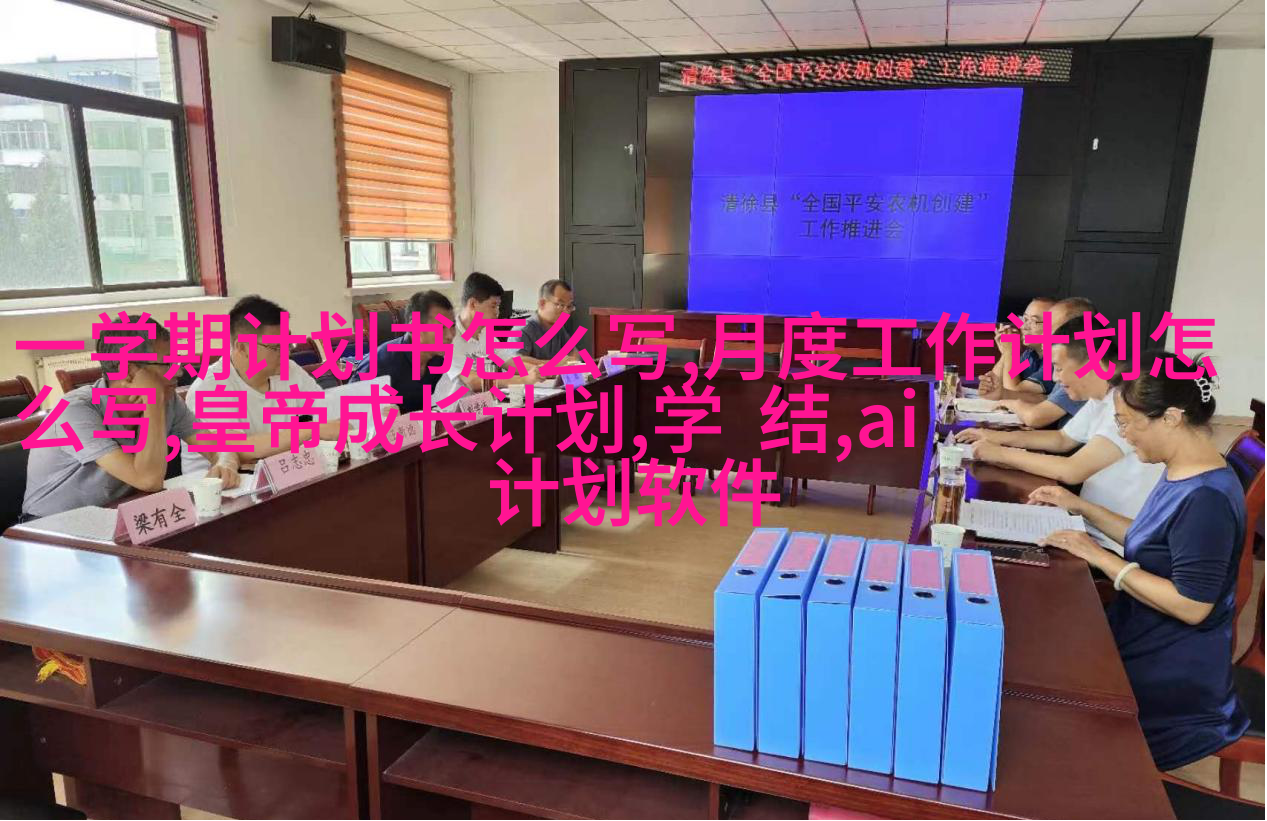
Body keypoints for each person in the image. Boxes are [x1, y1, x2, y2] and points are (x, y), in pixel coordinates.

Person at [1033, 352, 1249, 772]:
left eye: (1129, 422)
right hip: (1141, 633)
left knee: (1049, 703)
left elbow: (1192, 605)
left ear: (1171, 418)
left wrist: (1100, 557)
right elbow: (1154, 538)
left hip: (1171, 669)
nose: (1124, 435)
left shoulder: (1207, 498)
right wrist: (1080, 507)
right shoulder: (1184, 469)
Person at [22, 315, 240, 519]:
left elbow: (217, 447)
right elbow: (149, 480)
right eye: (168, 364)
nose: (180, 372)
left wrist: (225, 464)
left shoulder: (169, 400)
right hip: (49, 528)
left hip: (116, 517)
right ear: (128, 371)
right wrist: (153, 404)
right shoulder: (75, 411)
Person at [956, 319, 1164, 529]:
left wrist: (1000, 453)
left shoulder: (1127, 405)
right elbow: (1062, 439)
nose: (1055, 378)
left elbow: (1072, 470)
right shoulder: (1103, 395)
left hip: (1110, 535)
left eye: (1058, 368)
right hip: (1087, 521)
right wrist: (994, 437)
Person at [183, 295, 340, 475]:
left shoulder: (289, 371)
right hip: (221, 486)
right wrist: (309, 431)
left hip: (281, 476)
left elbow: (332, 419)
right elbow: (235, 450)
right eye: (276, 347)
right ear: (242, 347)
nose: (286, 353)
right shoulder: (211, 387)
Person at [986, 297, 1096, 428]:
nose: (1024, 327)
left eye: (1035, 321)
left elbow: (1034, 415)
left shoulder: (1079, 370)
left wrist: (1010, 352)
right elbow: (994, 382)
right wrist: (1006, 352)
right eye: (1024, 319)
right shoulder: (1031, 354)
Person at [435, 272, 540, 404]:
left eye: (498, 306)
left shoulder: (485, 333)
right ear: (473, 304)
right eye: (493, 306)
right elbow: (472, 381)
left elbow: (512, 363)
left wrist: (541, 371)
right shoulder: (450, 336)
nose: (497, 312)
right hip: (450, 410)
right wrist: (522, 380)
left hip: (480, 406)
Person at [352, 290, 454, 414]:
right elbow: (349, 411)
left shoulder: (441, 360)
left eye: (452, 326)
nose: (450, 336)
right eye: (441, 327)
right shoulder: (379, 364)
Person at [519, 279, 578, 365]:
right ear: (542, 304)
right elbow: (517, 362)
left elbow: (573, 352)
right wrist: (555, 364)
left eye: (569, 306)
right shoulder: (523, 329)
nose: (566, 312)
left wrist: (572, 361)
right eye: (560, 305)